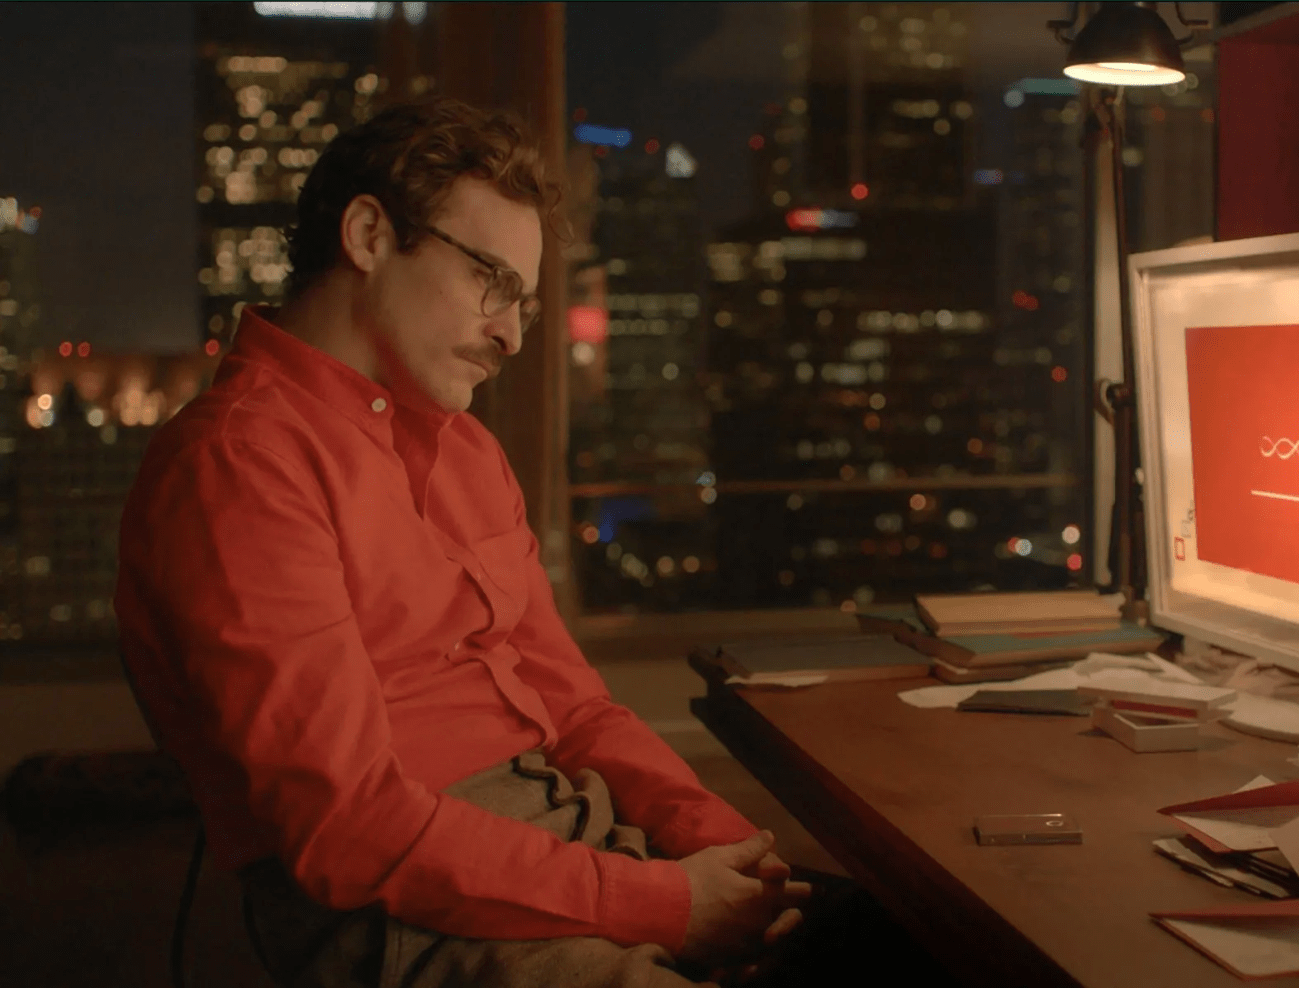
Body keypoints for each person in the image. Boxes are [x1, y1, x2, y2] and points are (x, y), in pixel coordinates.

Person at [114, 97, 821, 988]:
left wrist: (733, 854)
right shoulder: (240, 462)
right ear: (369, 235)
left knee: (900, 944)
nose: (512, 335)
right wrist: (666, 902)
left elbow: (577, 711)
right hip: (400, 913)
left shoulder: (467, 452)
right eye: (492, 280)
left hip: (570, 835)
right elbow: (348, 829)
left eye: (525, 303)